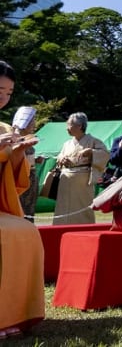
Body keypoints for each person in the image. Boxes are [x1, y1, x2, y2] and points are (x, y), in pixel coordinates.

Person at [0, 61, 45, 339]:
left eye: (8, 91)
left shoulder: (5, 126)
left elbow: (13, 180)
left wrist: (18, 154)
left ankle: (11, 314)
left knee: (25, 231)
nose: (3, 97)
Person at [53, 112, 109, 225]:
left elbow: (105, 154)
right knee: (63, 206)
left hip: (82, 180)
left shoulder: (93, 141)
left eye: (69, 125)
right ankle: (60, 228)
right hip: (65, 179)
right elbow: (59, 155)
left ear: (79, 126)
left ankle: (84, 227)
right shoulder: (67, 143)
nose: (66, 128)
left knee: (81, 206)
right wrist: (61, 158)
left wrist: (91, 152)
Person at [11, 106, 42, 221]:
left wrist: (36, 160)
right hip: (19, 180)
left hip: (30, 179)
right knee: (20, 211)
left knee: (29, 211)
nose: (34, 124)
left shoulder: (28, 138)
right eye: (32, 121)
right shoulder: (14, 139)